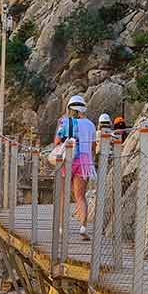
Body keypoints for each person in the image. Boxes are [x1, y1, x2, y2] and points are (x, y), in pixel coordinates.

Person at [55, 95, 97, 239]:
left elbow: (57, 142)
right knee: (80, 196)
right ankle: (83, 227)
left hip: (68, 158)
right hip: (85, 161)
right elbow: (93, 147)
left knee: (63, 195)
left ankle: (61, 228)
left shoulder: (64, 122)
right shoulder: (91, 125)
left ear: (70, 108)